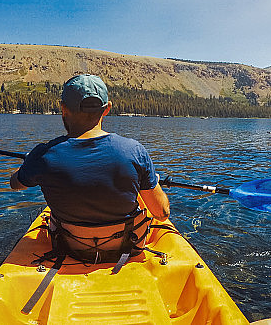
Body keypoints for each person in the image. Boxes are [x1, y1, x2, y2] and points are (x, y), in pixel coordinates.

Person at [10, 74, 170, 262]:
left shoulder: (44, 155)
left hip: (70, 248)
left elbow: (15, 184)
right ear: (107, 109)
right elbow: (161, 213)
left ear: (63, 109)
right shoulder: (134, 151)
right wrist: (153, 181)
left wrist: (31, 162)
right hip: (125, 249)